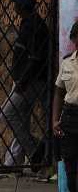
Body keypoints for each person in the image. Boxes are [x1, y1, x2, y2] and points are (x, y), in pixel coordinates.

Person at [3, 0, 49, 167]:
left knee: (7, 113)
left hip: (31, 81)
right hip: (28, 79)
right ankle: (16, 160)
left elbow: (35, 58)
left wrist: (23, 80)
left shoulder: (34, 26)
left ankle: (36, 147)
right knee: (20, 118)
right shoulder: (29, 23)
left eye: (16, 4)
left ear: (21, 7)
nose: (13, 7)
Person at [53, 20, 78, 191]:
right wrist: (55, 119)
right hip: (70, 117)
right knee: (70, 164)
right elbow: (59, 92)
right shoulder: (67, 62)